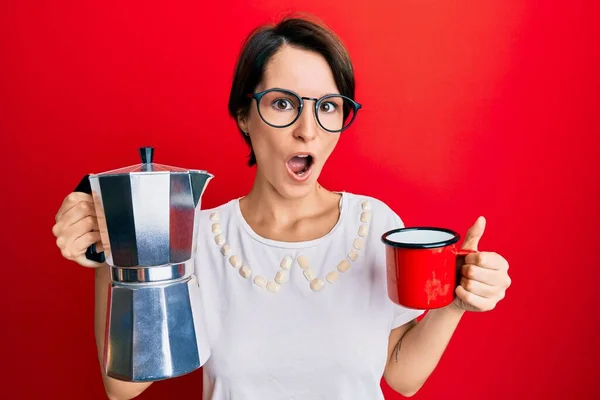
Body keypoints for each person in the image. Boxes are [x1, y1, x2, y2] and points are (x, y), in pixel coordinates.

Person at [52, 15, 511, 400]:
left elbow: (401, 376)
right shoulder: (195, 240)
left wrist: (454, 304)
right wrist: (111, 253)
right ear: (244, 116)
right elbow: (121, 389)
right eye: (283, 103)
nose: (307, 130)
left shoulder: (375, 227)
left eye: (328, 107)